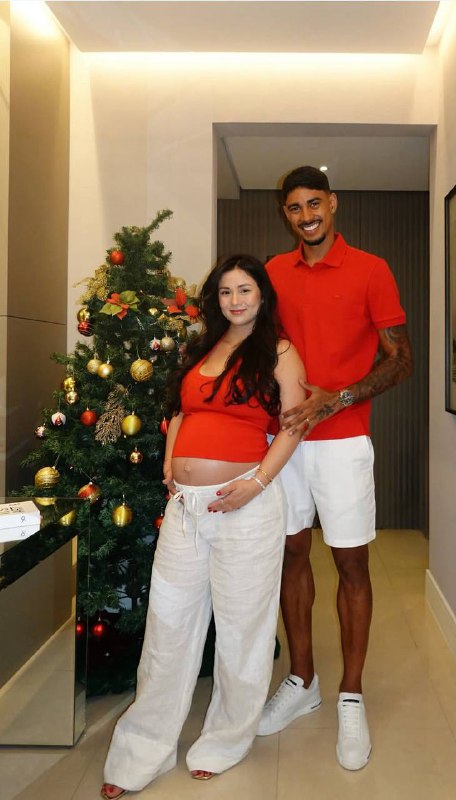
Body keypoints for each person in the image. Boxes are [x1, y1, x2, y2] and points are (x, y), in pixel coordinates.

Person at [100, 255, 305, 799]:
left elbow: (294, 425)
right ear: (215, 298)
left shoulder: (280, 352)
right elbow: (182, 413)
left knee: (242, 630)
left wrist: (257, 482)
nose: (235, 300)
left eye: (245, 289)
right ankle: (143, 748)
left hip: (246, 508)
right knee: (167, 627)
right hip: (187, 510)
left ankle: (225, 739)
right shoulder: (201, 349)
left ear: (263, 295)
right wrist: (171, 461)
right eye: (225, 291)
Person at [258, 166, 413, 771]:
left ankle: (351, 693)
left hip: (344, 439)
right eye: (295, 208)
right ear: (287, 215)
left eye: (314, 204)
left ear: (333, 203)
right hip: (284, 439)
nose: (306, 216)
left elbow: (401, 361)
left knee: (352, 562)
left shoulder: (371, 269)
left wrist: (338, 398)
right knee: (291, 554)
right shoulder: (273, 272)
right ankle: (303, 680)